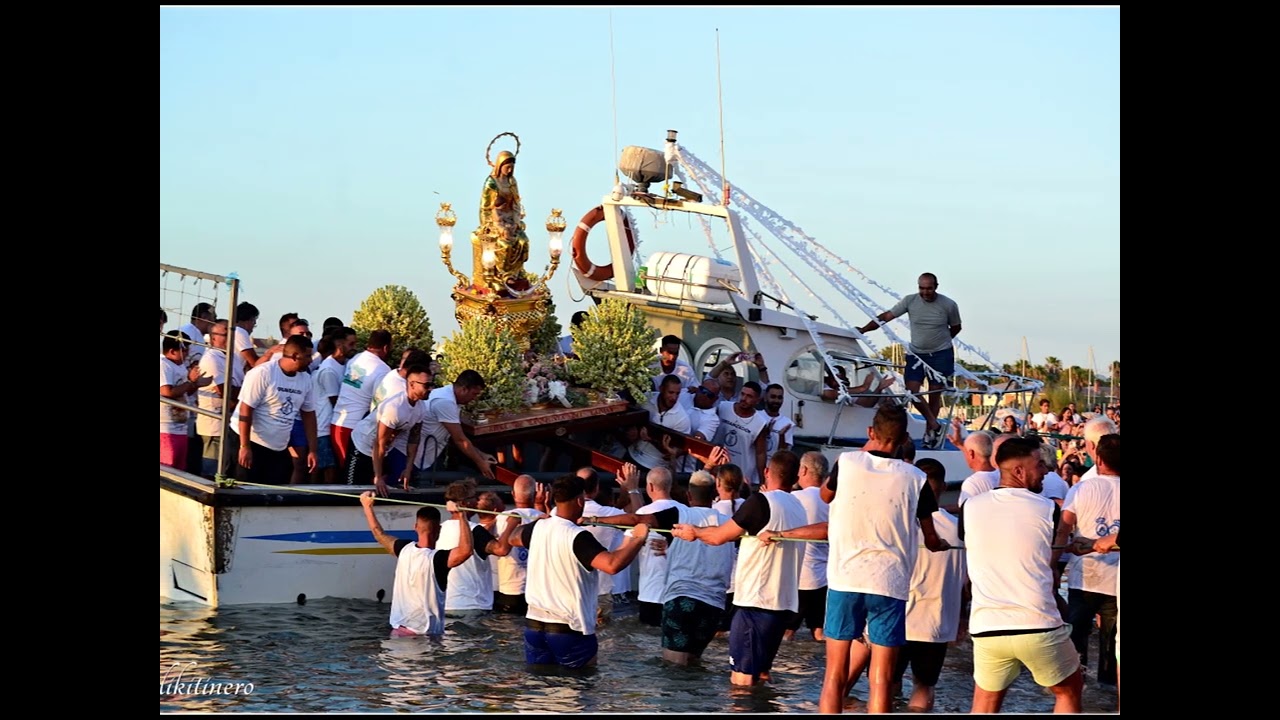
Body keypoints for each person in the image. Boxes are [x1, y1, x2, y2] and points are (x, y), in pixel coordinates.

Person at [814, 403, 949, 714]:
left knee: (834, 675)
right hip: (889, 583)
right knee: (881, 678)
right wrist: (939, 544)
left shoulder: (847, 462)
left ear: (870, 433)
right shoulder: (916, 478)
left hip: (845, 578)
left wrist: (864, 450)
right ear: (904, 439)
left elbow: (825, 495)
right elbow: (930, 538)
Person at [959, 436, 1083, 713]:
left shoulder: (970, 507)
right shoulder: (1049, 508)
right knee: (1069, 691)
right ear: (1019, 471)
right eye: (1039, 464)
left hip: (987, 626)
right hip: (1037, 622)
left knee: (985, 704)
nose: (1046, 470)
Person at [671, 450, 809, 687]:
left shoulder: (760, 501)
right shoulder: (798, 506)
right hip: (783, 604)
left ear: (766, 472)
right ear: (796, 477)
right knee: (762, 676)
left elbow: (718, 537)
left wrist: (693, 532)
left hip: (755, 602)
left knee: (741, 682)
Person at [508, 474, 650, 669]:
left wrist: (539, 521)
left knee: (538, 690)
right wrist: (638, 539)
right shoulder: (578, 536)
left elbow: (513, 538)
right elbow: (612, 564)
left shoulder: (539, 527)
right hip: (569, 629)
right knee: (580, 691)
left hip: (534, 626)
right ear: (580, 500)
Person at [889, 458, 967, 712]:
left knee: (886, 683)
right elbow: (966, 581)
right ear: (943, 487)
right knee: (924, 686)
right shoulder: (959, 531)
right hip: (936, 622)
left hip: (896, 618)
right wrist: (962, 619)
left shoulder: (897, 525)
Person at [857, 273, 961, 449]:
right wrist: (865, 329)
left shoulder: (948, 305)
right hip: (916, 353)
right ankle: (935, 425)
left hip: (941, 354)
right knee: (912, 392)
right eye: (921, 288)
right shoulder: (910, 301)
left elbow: (957, 326)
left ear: (936, 286)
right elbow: (887, 316)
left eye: (928, 288)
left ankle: (930, 433)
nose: (925, 292)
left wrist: (941, 340)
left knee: (935, 394)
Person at [1052, 433, 1120, 688]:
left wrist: (1053, 565)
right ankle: (1109, 693)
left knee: (1076, 637)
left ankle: (1075, 689)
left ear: (1098, 459)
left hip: (1085, 576)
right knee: (1112, 643)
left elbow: (1063, 529)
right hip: (1117, 581)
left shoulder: (1081, 488)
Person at [359, 492, 472, 637]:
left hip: (397, 633)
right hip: (424, 637)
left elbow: (379, 534)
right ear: (439, 530)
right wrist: (462, 516)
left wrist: (367, 506)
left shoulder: (403, 548)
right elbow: (466, 550)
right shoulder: (438, 559)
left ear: (415, 527)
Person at [232, 335, 318, 485]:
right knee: (245, 489)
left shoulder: (305, 379)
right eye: (308, 356)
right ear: (295, 355)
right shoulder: (263, 373)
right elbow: (246, 409)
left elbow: (309, 415)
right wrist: (244, 446)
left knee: (275, 489)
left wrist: (313, 449)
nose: (311, 360)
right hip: (252, 440)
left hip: (278, 445)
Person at [346, 364, 434, 496]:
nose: (431, 389)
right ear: (412, 385)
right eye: (426, 385)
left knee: (382, 489)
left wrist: (408, 469)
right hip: (363, 445)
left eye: (432, 384)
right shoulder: (394, 407)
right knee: (354, 489)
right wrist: (378, 476)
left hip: (385, 449)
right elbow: (378, 443)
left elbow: (414, 440)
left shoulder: (421, 407)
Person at [414, 370, 497, 481]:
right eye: (474, 394)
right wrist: (481, 463)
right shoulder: (445, 402)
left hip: (430, 453)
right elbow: (460, 440)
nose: (474, 398)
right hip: (420, 457)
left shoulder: (447, 394)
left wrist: (481, 454)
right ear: (463, 389)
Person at [475, 148, 530, 293]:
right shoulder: (491, 183)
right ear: (500, 165)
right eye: (507, 166)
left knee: (523, 241)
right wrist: (495, 227)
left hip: (511, 218)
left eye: (512, 166)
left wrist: (516, 222)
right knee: (504, 245)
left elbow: (517, 203)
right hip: (495, 220)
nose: (510, 169)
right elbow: (485, 208)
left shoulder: (512, 181)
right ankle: (502, 276)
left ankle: (516, 273)